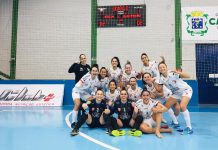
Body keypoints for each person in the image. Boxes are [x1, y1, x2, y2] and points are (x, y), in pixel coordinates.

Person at [158, 58, 193, 134]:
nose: (162, 68)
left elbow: (188, 76)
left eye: (163, 67)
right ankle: (175, 123)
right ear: (159, 70)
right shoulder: (161, 79)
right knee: (166, 106)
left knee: (182, 106)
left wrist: (179, 73)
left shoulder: (172, 73)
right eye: (160, 67)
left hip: (185, 90)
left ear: (166, 68)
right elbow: (159, 89)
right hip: (176, 93)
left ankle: (189, 128)